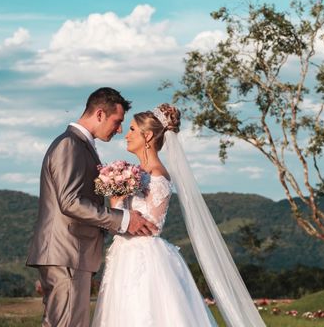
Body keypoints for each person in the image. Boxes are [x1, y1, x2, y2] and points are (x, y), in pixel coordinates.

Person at [92, 104, 265, 327]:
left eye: (132, 129)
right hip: (123, 255)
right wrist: (116, 199)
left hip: (144, 258)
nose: (126, 135)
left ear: (148, 135)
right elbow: (120, 221)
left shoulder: (157, 175)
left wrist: (120, 207)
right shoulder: (134, 174)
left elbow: (153, 225)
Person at [26, 87, 158, 327]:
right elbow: (70, 202)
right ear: (99, 114)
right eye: (117, 122)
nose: (119, 130)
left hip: (72, 253)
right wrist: (125, 220)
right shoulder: (70, 145)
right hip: (67, 252)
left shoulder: (80, 145)